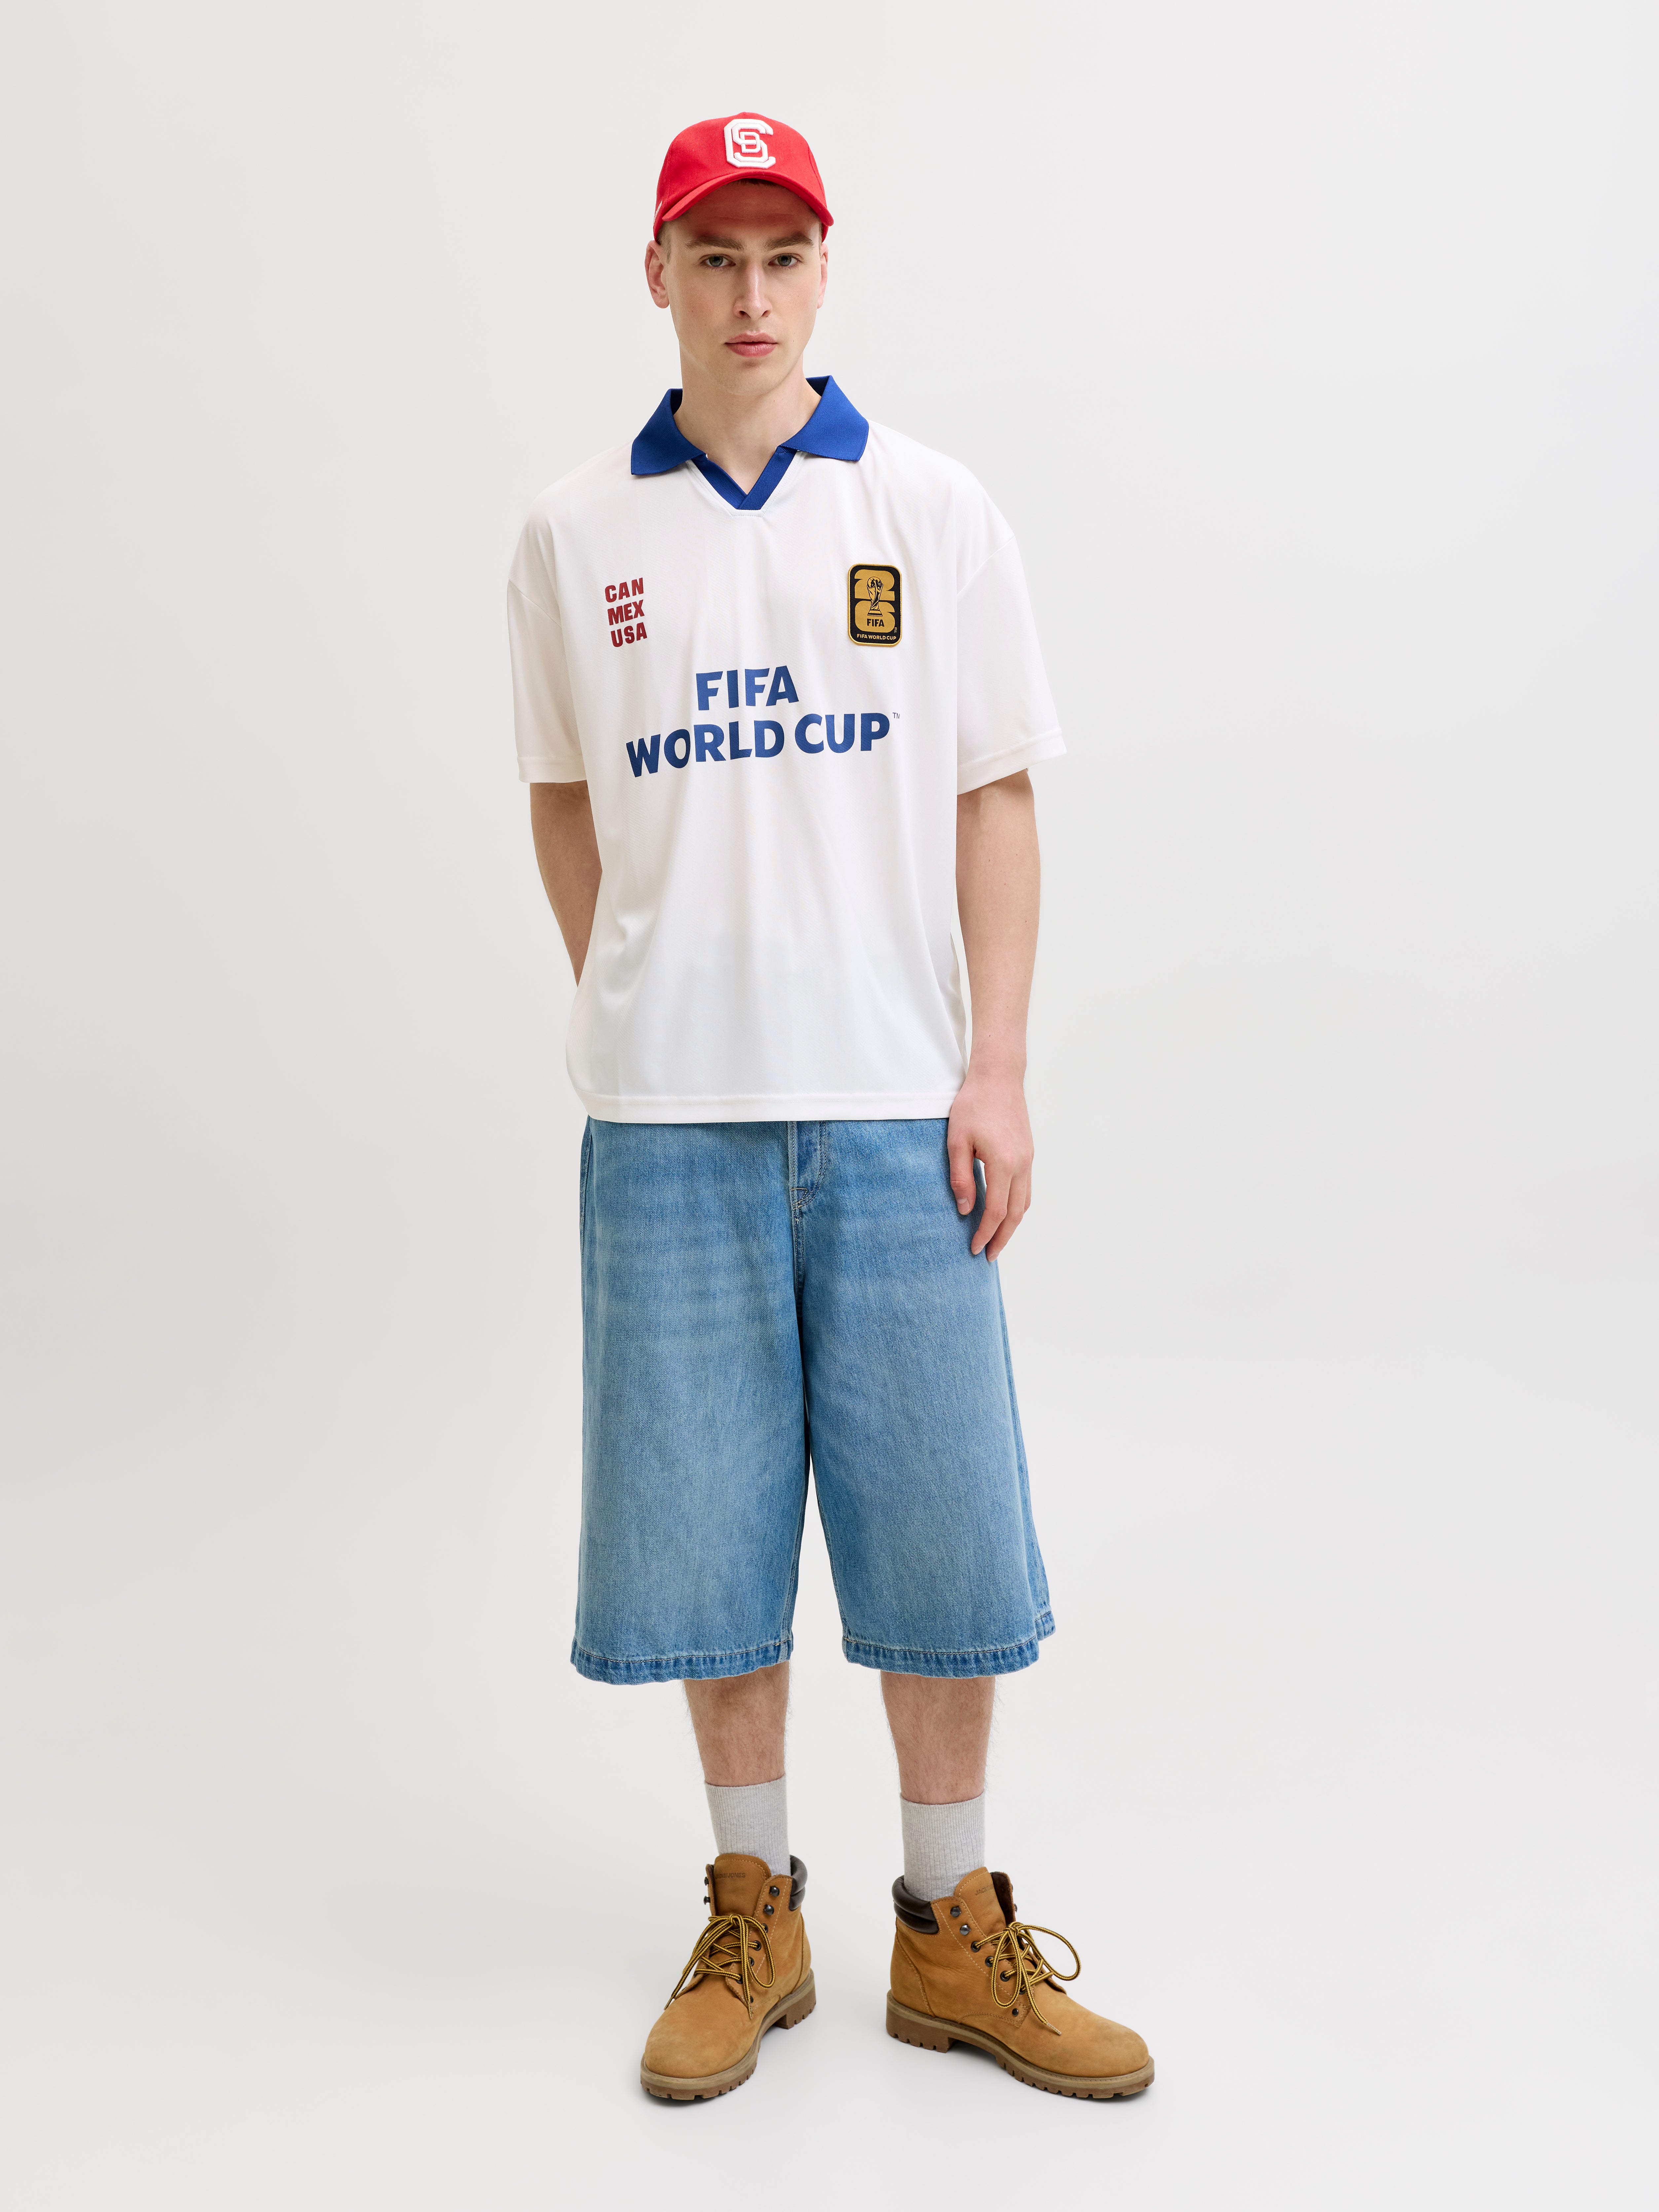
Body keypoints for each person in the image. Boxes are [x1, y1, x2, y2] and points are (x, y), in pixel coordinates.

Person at [507, 111, 1153, 2105]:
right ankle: (752, 1905)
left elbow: (995, 795)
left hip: (895, 1101)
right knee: (703, 1535)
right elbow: (562, 799)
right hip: (668, 1124)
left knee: (941, 1526)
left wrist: (999, 1067)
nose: (752, 294)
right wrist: (641, 989)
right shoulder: (572, 537)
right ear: (659, 274)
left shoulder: (930, 511)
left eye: (784, 255)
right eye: (716, 255)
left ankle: (952, 1928)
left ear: (822, 271)